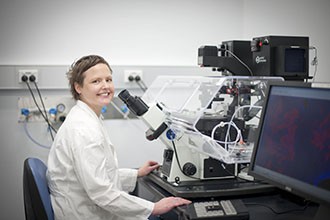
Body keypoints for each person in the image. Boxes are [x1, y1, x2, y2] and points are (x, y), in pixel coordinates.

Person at [46, 55, 191, 220]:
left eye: (108, 79)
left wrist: (136, 173)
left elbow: (98, 176)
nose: (105, 86)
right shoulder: (83, 130)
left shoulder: (87, 118)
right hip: (83, 214)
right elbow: (102, 193)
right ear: (78, 87)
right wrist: (154, 208)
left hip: (87, 205)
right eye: (96, 81)